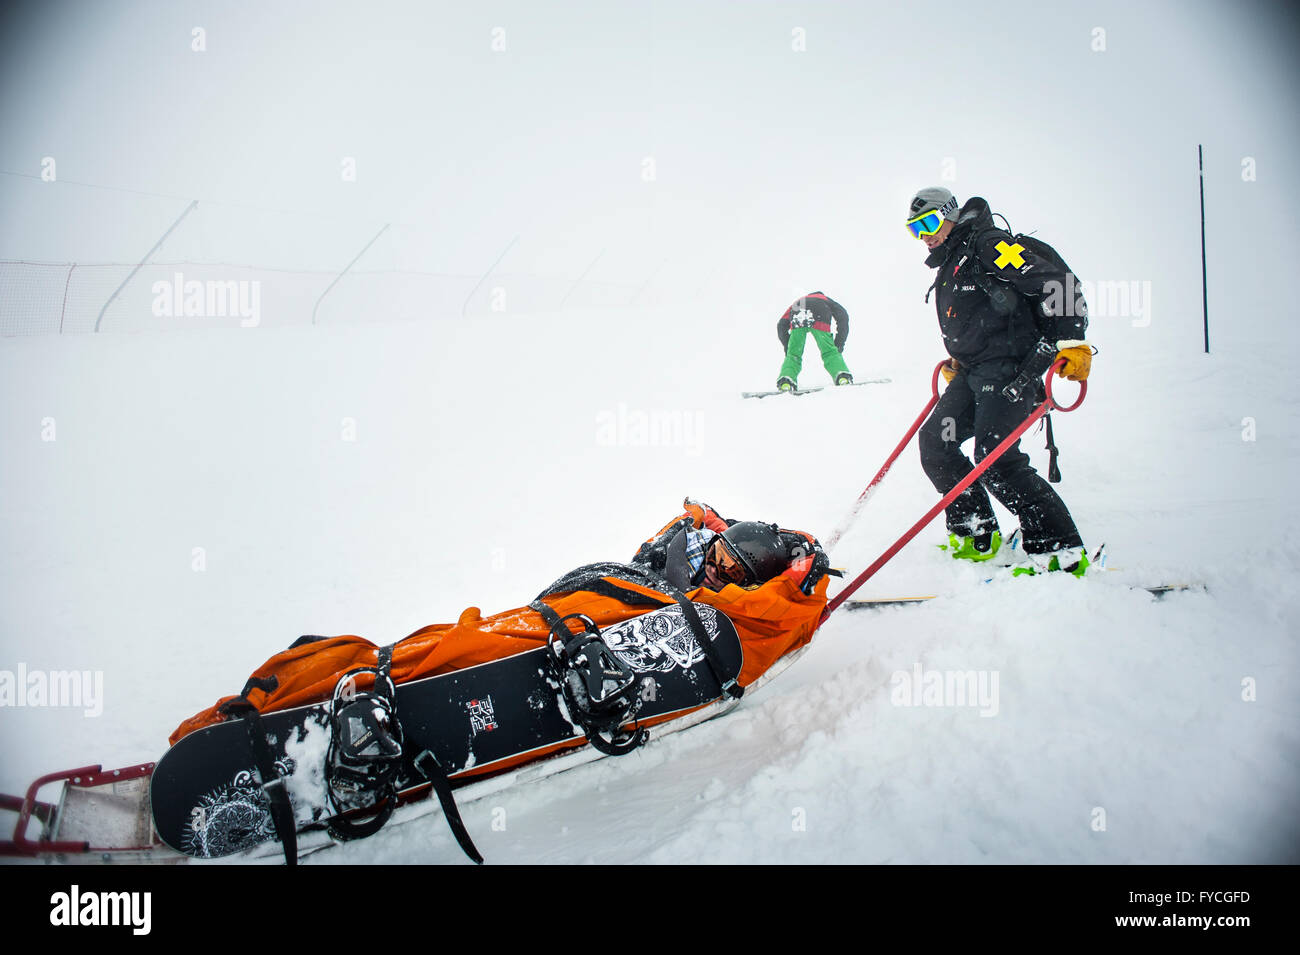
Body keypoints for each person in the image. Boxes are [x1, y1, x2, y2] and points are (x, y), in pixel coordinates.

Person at [905, 186, 1093, 575]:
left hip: (1010, 369)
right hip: (974, 370)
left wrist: (1073, 342)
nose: (924, 236)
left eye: (928, 223)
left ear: (950, 215)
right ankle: (976, 532)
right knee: (936, 445)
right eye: (915, 229)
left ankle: (1059, 550)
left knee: (995, 458)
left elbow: (1057, 283)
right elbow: (980, 316)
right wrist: (960, 358)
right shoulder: (954, 260)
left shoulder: (988, 245)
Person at [775, 292, 854, 392]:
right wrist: (839, 344)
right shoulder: (825, 299)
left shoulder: (799, 300)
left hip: (798, 312)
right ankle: (842, 377)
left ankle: (786, 382)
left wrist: (788, 347)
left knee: (793, 355)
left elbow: (781, 325)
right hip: (820, 312)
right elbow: (843, 315)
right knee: (829, 352)